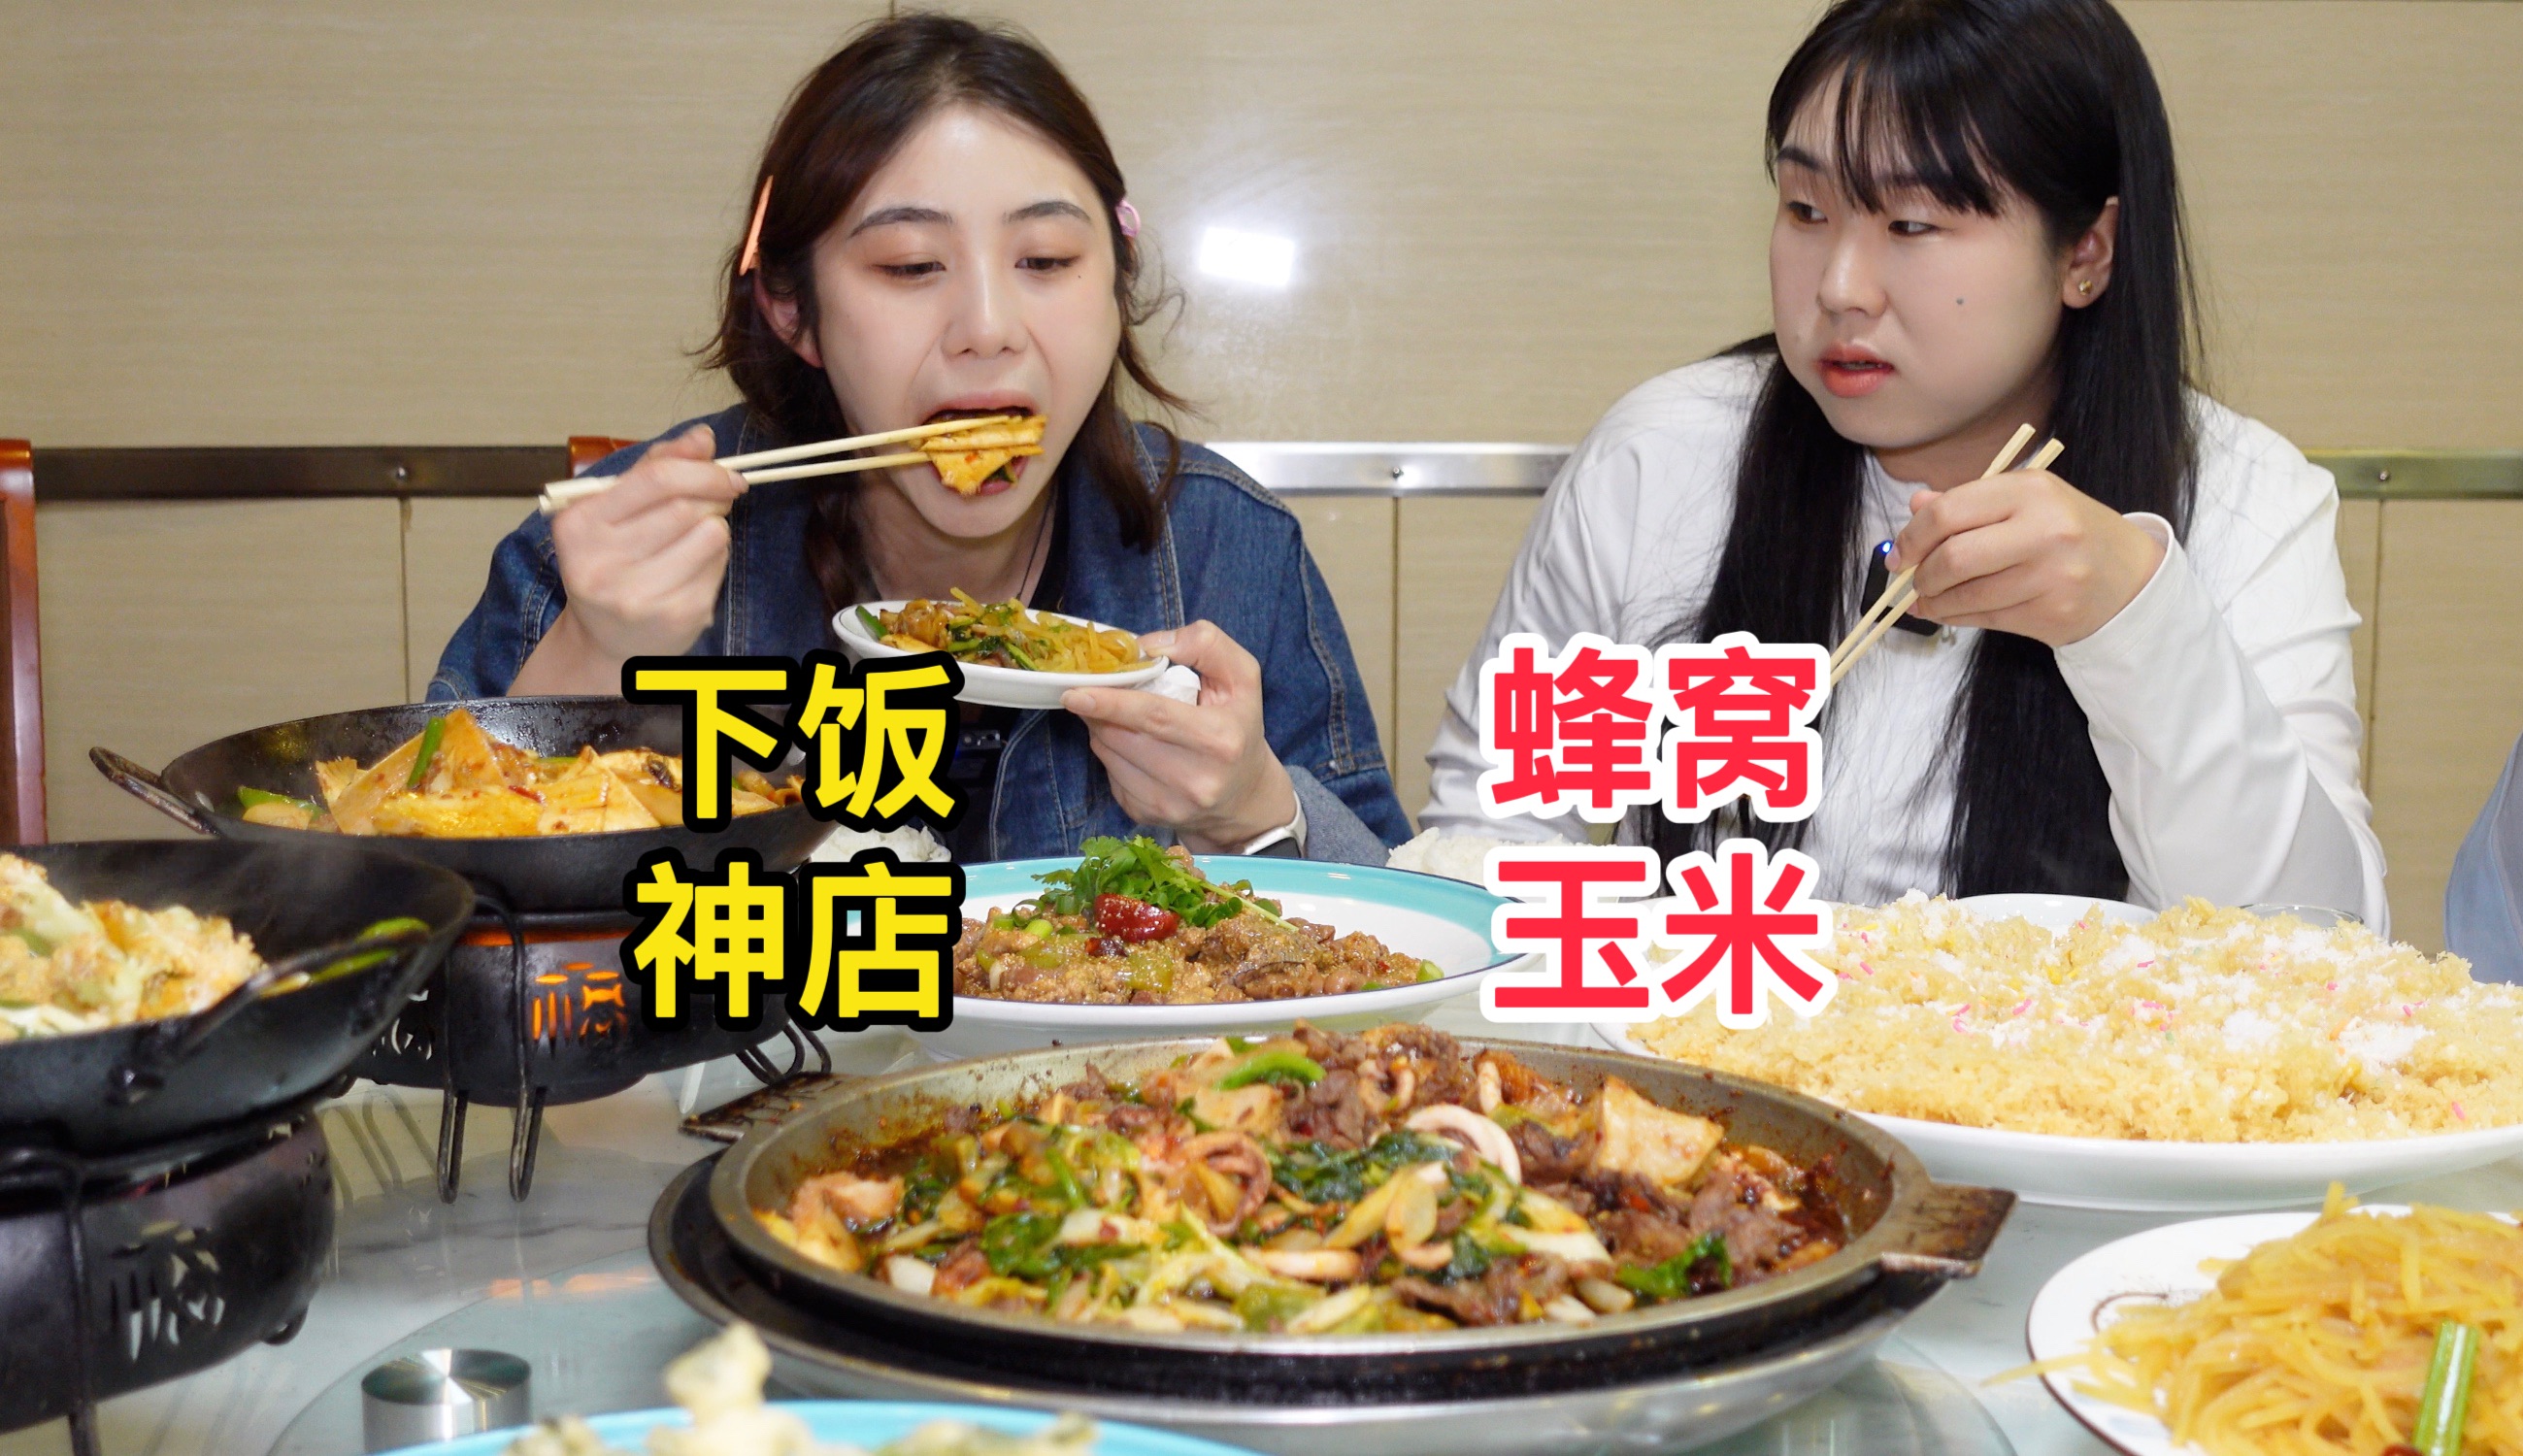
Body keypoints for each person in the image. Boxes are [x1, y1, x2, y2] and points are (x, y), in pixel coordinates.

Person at [1421, 0, 2387, 927]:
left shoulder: (2243, 499)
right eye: (1805, 209)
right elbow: (1483, 847)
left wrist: (2135, 620)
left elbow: (2311, 938)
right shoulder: (1664, 454)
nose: (1840, 288)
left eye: (1912, 225)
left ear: (2084, 252)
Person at [432, 15, 1407, 865]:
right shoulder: (612, 550)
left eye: (1045, 259)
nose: (987, 327)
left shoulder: (1225, 543)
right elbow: (418, 933)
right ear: (792, 309)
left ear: (1114, 283)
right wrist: (592, 652)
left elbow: (1409, 924)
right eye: (908, 265)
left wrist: (1257, 811)